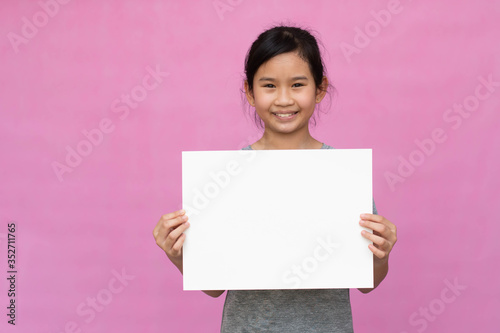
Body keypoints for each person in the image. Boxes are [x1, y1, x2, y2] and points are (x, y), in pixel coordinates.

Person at [153, 25, 397, 332]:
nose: (284, 99)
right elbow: (214, 287)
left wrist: (381, 254)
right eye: (269, 86)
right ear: (250, 92)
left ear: (320, 89)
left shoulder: (343, 174)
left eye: (297, 84)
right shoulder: (226, 177)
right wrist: (178, 255)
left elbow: (367, 282)